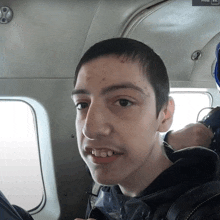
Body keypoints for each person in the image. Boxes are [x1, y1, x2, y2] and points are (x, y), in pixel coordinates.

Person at [72, 38, 220, 220]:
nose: (90, 129)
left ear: (165, 114)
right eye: (82, 105)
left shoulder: (205, 211)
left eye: (123, 102)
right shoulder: (109, 192)